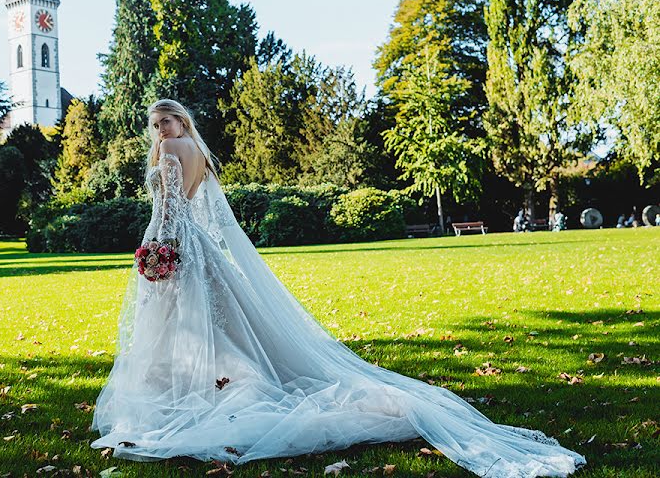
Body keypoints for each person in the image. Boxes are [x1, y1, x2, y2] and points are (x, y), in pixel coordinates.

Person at [89, 99, 586, 476]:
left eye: (166, 122)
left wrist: (159, 249)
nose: (161, 132)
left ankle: (196, 390)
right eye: (156, 126)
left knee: (188, 324)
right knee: (216, 325)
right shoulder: (198, 150)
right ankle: (213, 382)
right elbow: (202, 209)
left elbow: (170, 208)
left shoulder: (172, 152)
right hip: (198, 245)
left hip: (178, 243)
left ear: (181, 122)